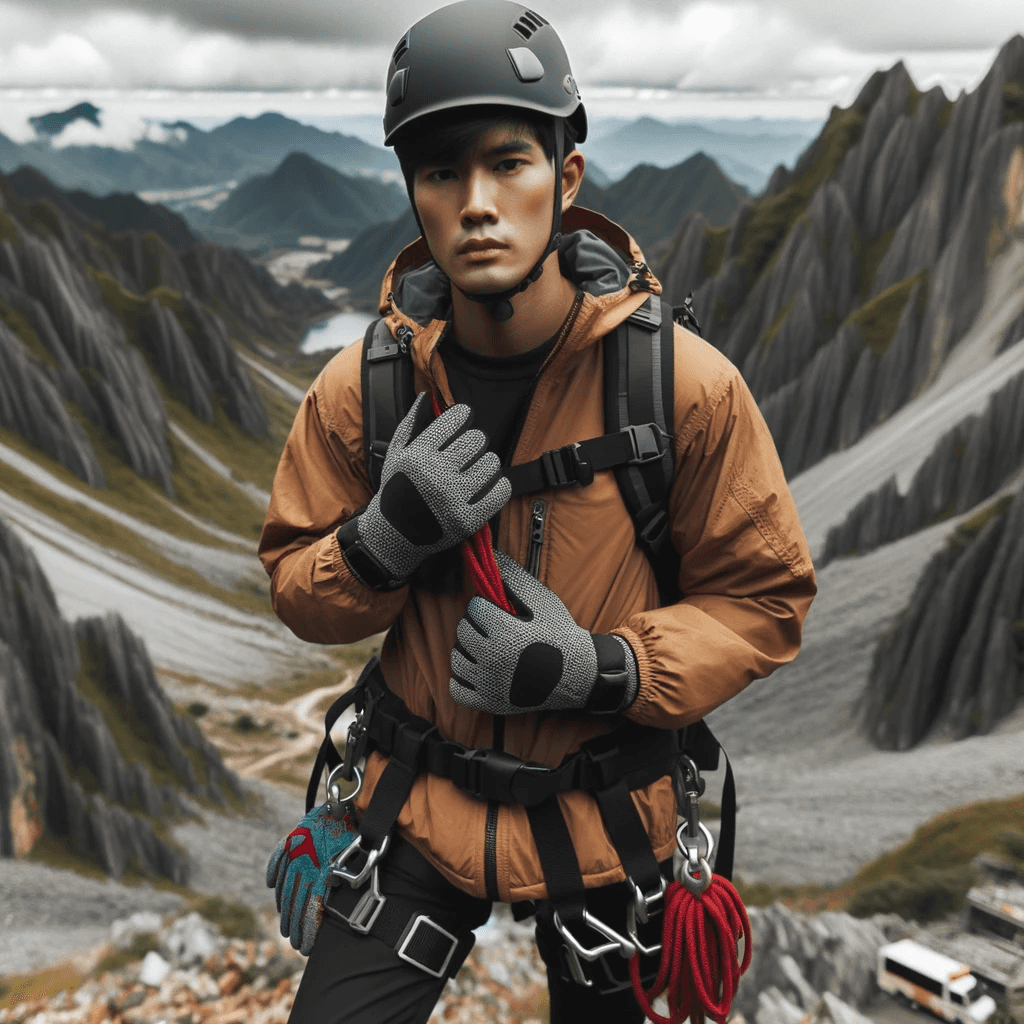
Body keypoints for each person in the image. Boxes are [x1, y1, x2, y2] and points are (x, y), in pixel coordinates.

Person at [258, 2, 817, 1021]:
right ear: (412, 192)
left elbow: (764, 600)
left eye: (508, 164)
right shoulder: (364, 388)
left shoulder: (680, 387)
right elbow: (299, 584)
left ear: (566, 176)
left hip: (607, 814)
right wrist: (380, 543)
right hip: (411, 805)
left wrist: (597, 667)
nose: (476, 203)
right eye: (440, 172)